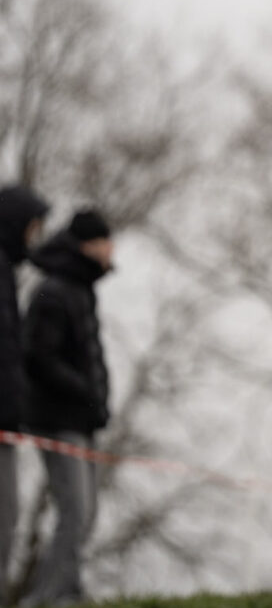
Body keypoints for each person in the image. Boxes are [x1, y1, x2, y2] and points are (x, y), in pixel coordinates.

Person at [20, 210, 114, 606]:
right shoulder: (54, 291)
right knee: (75, 511)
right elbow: (41, 357)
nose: (113, 251)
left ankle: (68, 593)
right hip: (57, 421)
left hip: (81, 421)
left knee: (85, 513)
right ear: (89, 245)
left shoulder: (80, 289)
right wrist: (86, 393)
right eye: (107, 242)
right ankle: (44, 599)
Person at [0, 185, 49, 602]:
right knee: (3, 521)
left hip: (6, 423)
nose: (34, 240)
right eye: (32, 229)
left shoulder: (6, 272)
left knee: (8, 522)